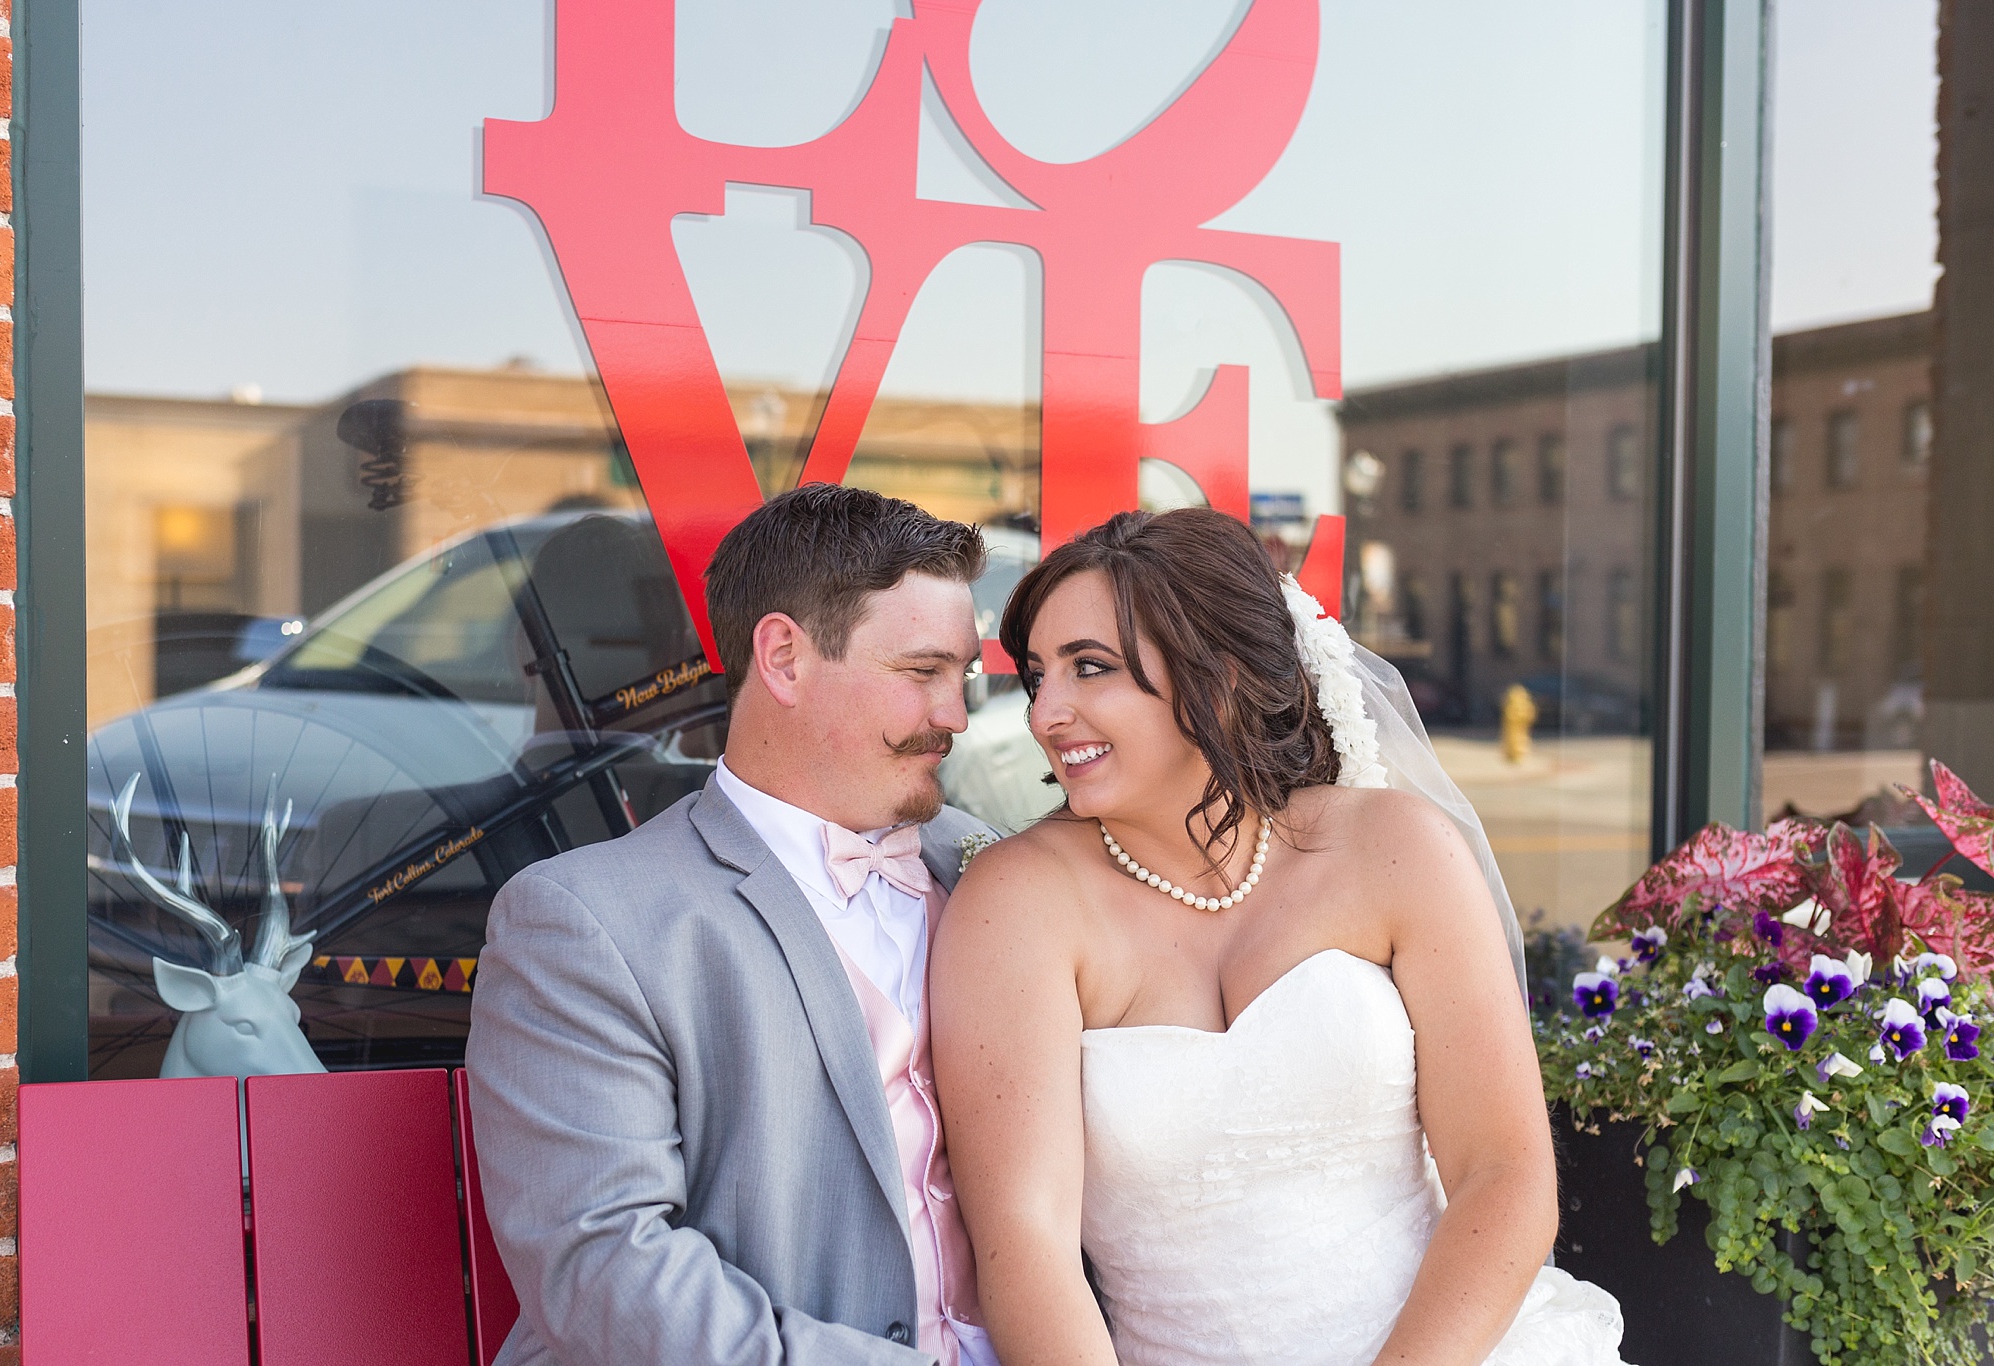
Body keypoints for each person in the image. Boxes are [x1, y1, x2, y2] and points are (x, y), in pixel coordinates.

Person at [931, 508, 1630, 1366]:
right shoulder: (1017, 903)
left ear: (1217, 676)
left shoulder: (1395, 849)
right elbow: (1025, 1243)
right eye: (1038, 676)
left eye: (1091, 668)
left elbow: (1504, 1174)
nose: (1046, 713)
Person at [468, 483, 1000, 1366]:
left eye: (964, 676)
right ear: (784, 658)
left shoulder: (995, 867)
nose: (957, 714)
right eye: (921, 673)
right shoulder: (580, 923)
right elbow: (606, 1271)